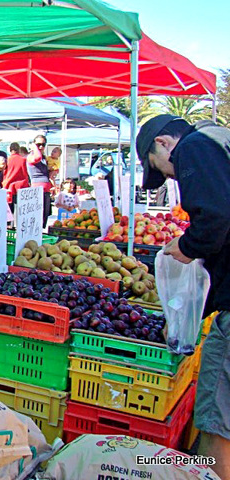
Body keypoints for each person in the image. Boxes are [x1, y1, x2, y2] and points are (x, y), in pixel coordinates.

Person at [136, 113, 230, 479]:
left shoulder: (194, 147)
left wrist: (187, 246)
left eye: (160, 168)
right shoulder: (219, 142)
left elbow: (217, 219)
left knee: (216, 422)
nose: (169, 177)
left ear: (163, 143)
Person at [26, 134, 53, 226]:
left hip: (45, 191)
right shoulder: (32, 156)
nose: (41, 147)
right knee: (36, 219)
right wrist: (34, 147)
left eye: (43, 144)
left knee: (44, 218)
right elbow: (37, 158)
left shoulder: (44, 158)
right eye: (38, 144)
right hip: (36, 190)